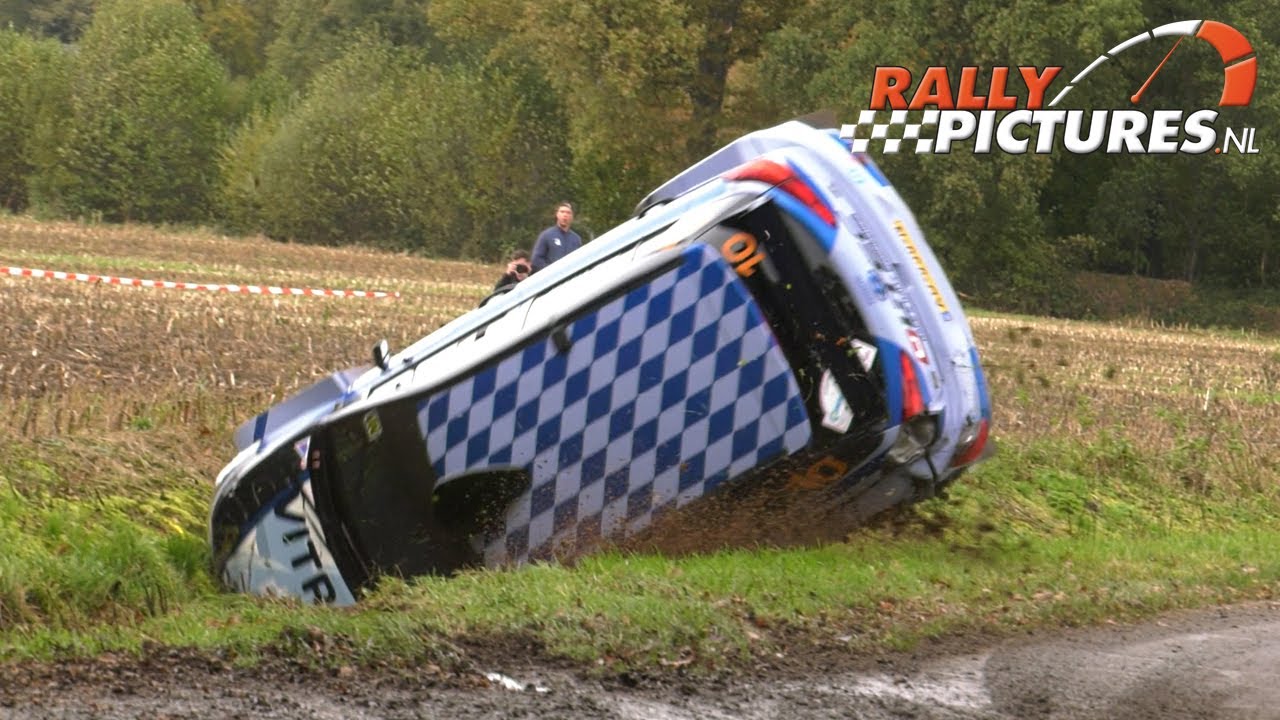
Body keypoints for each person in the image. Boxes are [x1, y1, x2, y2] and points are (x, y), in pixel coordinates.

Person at [530, 202, 582, 273]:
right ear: (557, 214)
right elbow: (536, 259)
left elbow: (580, 260)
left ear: (572, 216)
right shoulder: (547, 235)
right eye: (562, 212)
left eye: (568, 213)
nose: (565, 215)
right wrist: (551, 270)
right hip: (552, 276)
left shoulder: (576, 239)